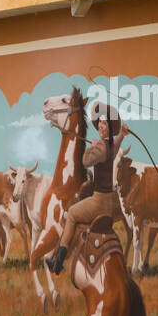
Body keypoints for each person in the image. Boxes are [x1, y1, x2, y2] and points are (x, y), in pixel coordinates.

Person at [46, 102, 129, 275]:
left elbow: (85, 162)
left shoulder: (100, 147)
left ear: (109, 127)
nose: (100, 125)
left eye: (104, 123)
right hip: (110, 200)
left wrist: (93, 146)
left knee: (73, 214)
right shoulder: (112, 144)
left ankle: (58, 261)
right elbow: (116, 145)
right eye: (99, 122)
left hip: (100, 201)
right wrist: (122, 134)